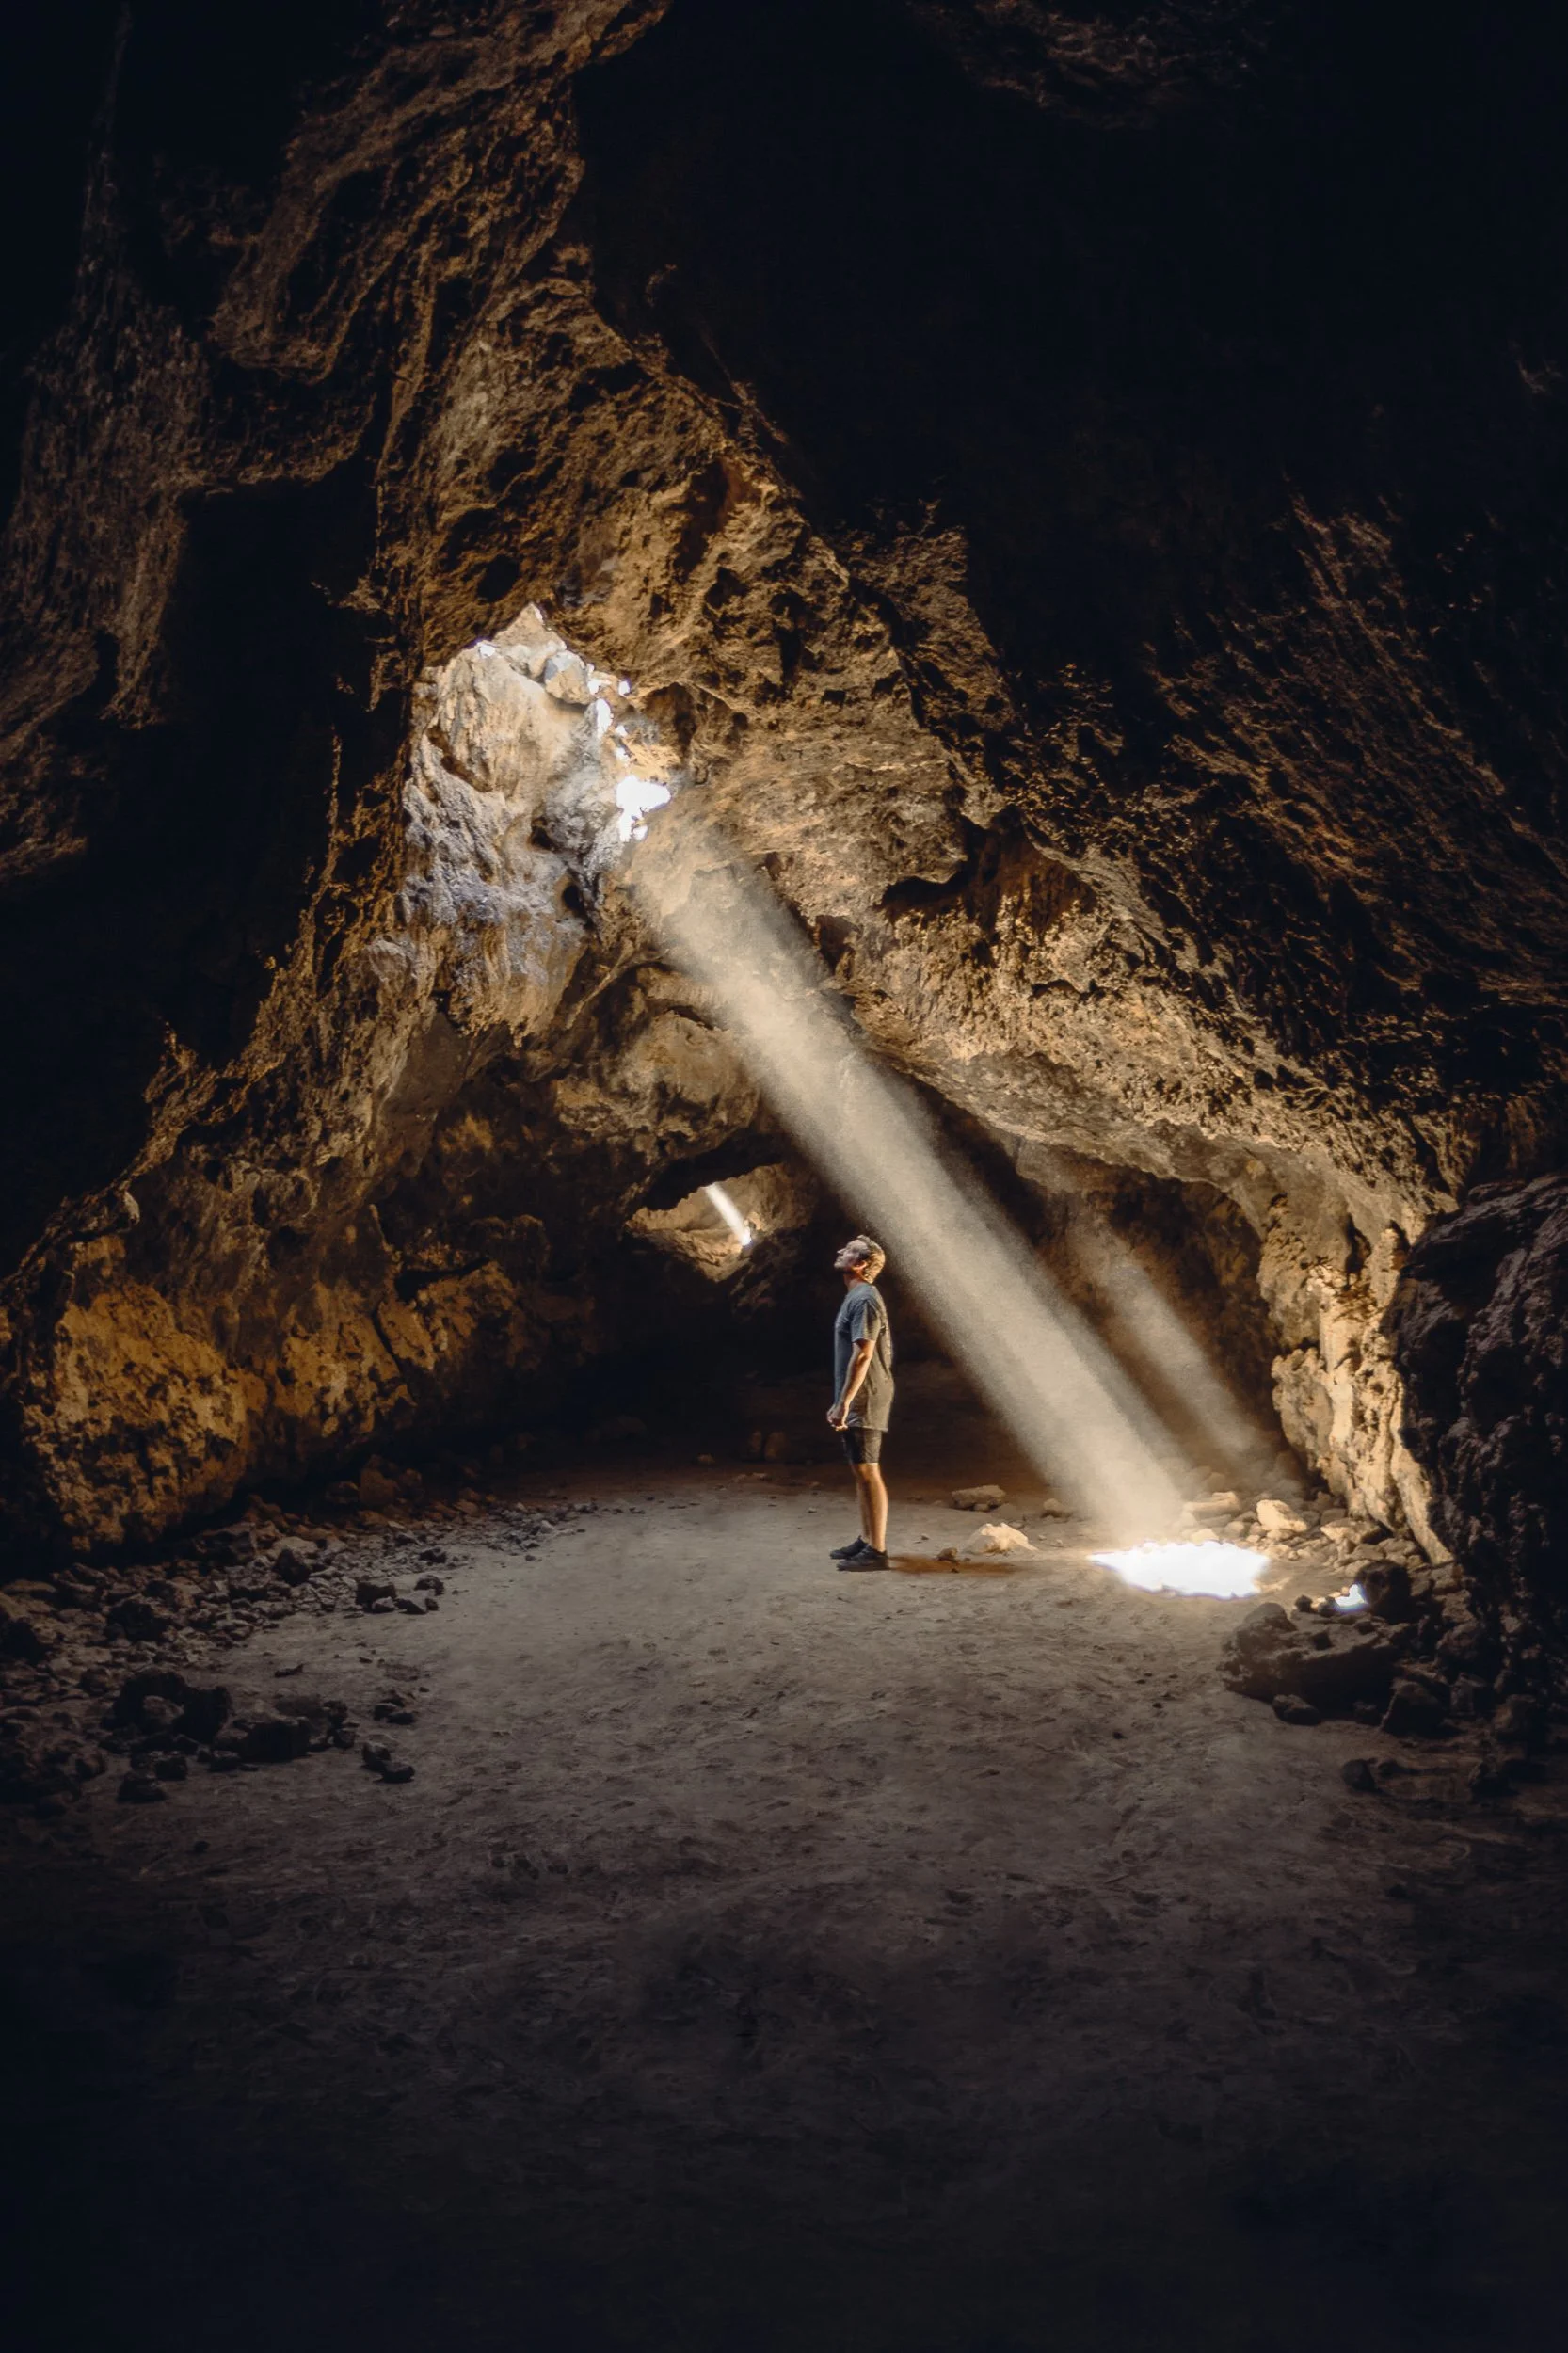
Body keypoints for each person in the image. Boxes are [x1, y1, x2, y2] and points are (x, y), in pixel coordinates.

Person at [826, 1234, 894, 1570]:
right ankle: (867, 1538)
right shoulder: (856, 1296)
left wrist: (844, 1403)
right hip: (858, 1396)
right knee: (860, 1470)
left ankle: (877, 1550)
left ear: (862, 1264)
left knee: (869, 1471)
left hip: (866, 1396)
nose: (841, 1250)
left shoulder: (865, 1298)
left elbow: (863, 1354)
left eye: (850, 1250)